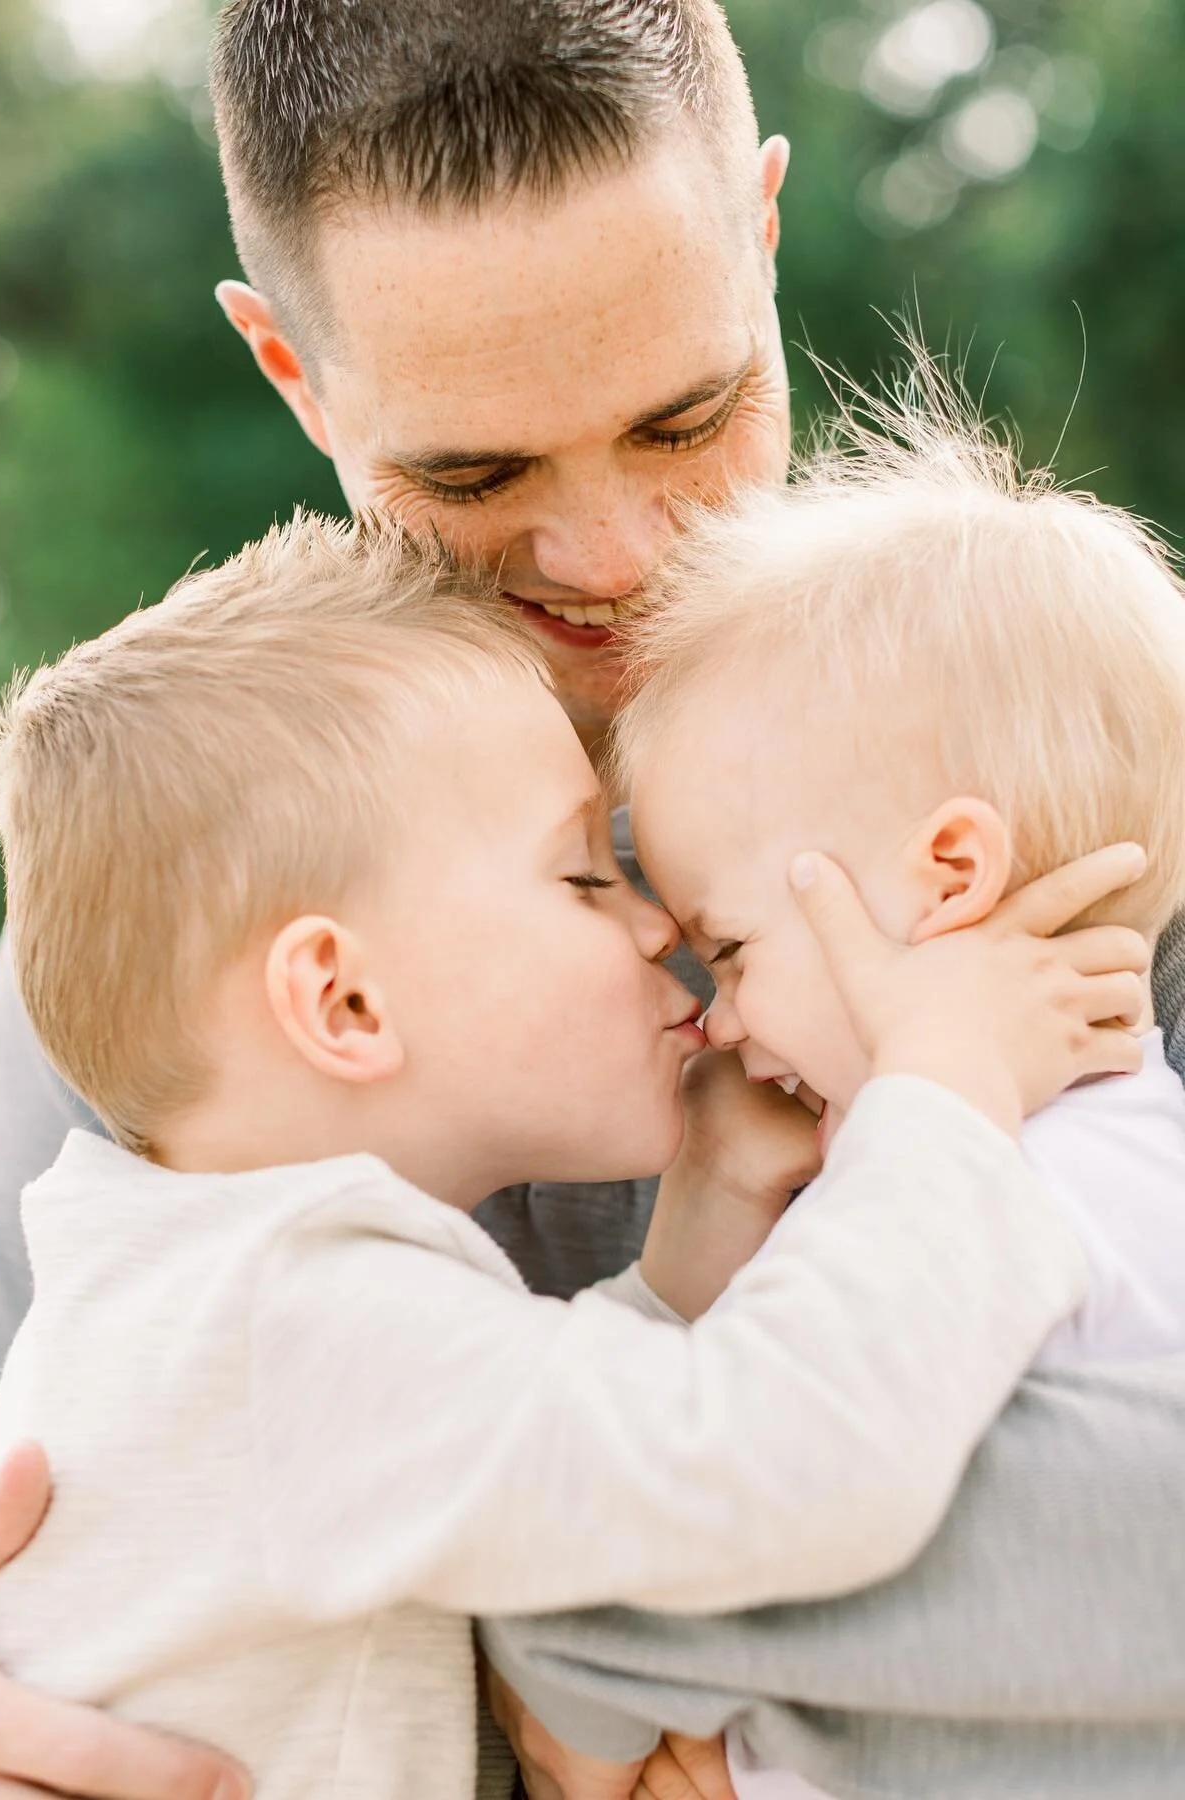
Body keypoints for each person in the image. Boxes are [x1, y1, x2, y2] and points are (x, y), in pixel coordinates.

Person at [0, 3, 1181, 1798]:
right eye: (474, 476)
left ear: (760, 232)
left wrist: (564, 1638)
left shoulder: (1064, 752)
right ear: (294, 374)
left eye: (688, 416)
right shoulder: (198, 886)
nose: (616, 554)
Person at [0, 510, 1117, 1800]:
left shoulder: (205, 1285)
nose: (659, 926)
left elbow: (565, 1426)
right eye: (582, 877)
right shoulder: (293, 1323)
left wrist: (706, 1206)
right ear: (345, 1002)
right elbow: (780, 1476)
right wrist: (942, 1087)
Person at [484, 388, 1185, 1798]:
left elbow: (629, 1539)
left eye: (735, 947)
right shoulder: (1126, 1155)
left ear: (948, 877)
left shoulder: (990, 1196)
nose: (720, 1012)